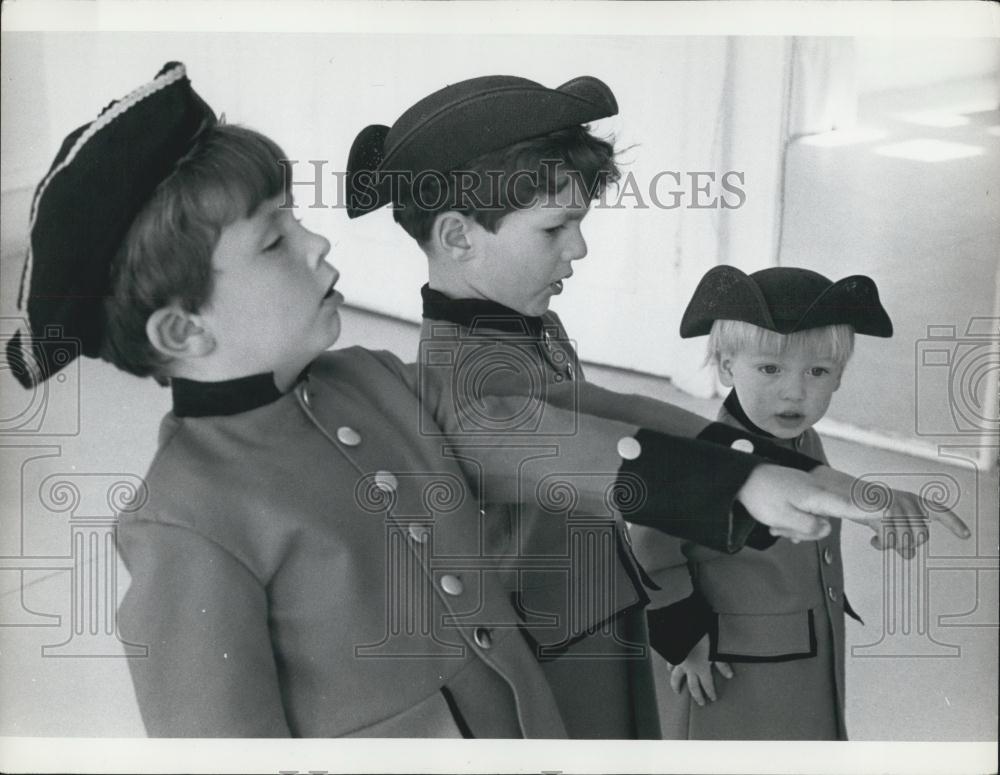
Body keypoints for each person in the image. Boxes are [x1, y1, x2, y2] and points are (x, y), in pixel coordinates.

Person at [6, 63, 879, 738]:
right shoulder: (183, 521)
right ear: (181, 332)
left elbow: (544, 438)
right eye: (275, 238)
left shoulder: (368, 381)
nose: (316, 244)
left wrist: (738, 478)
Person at [343, 74, 970, 738]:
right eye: (557, 226)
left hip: (590, 611)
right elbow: (588, 452)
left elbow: (612, 407)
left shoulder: (521, 330)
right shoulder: (464, 383)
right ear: (457, 234)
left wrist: (782, 463)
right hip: (546, 646)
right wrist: (748, 480)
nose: (578, 247)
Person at [640, 265, 905, 740]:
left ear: (839, 377)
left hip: (802, 654)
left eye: (817, 371)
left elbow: (812, 485)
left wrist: (865, 506)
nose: (794, 390)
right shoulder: (702, 458)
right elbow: (650, 553)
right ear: (725, 367)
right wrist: (685, 641)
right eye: (769, 368)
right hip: (732, 668)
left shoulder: (803, 439)